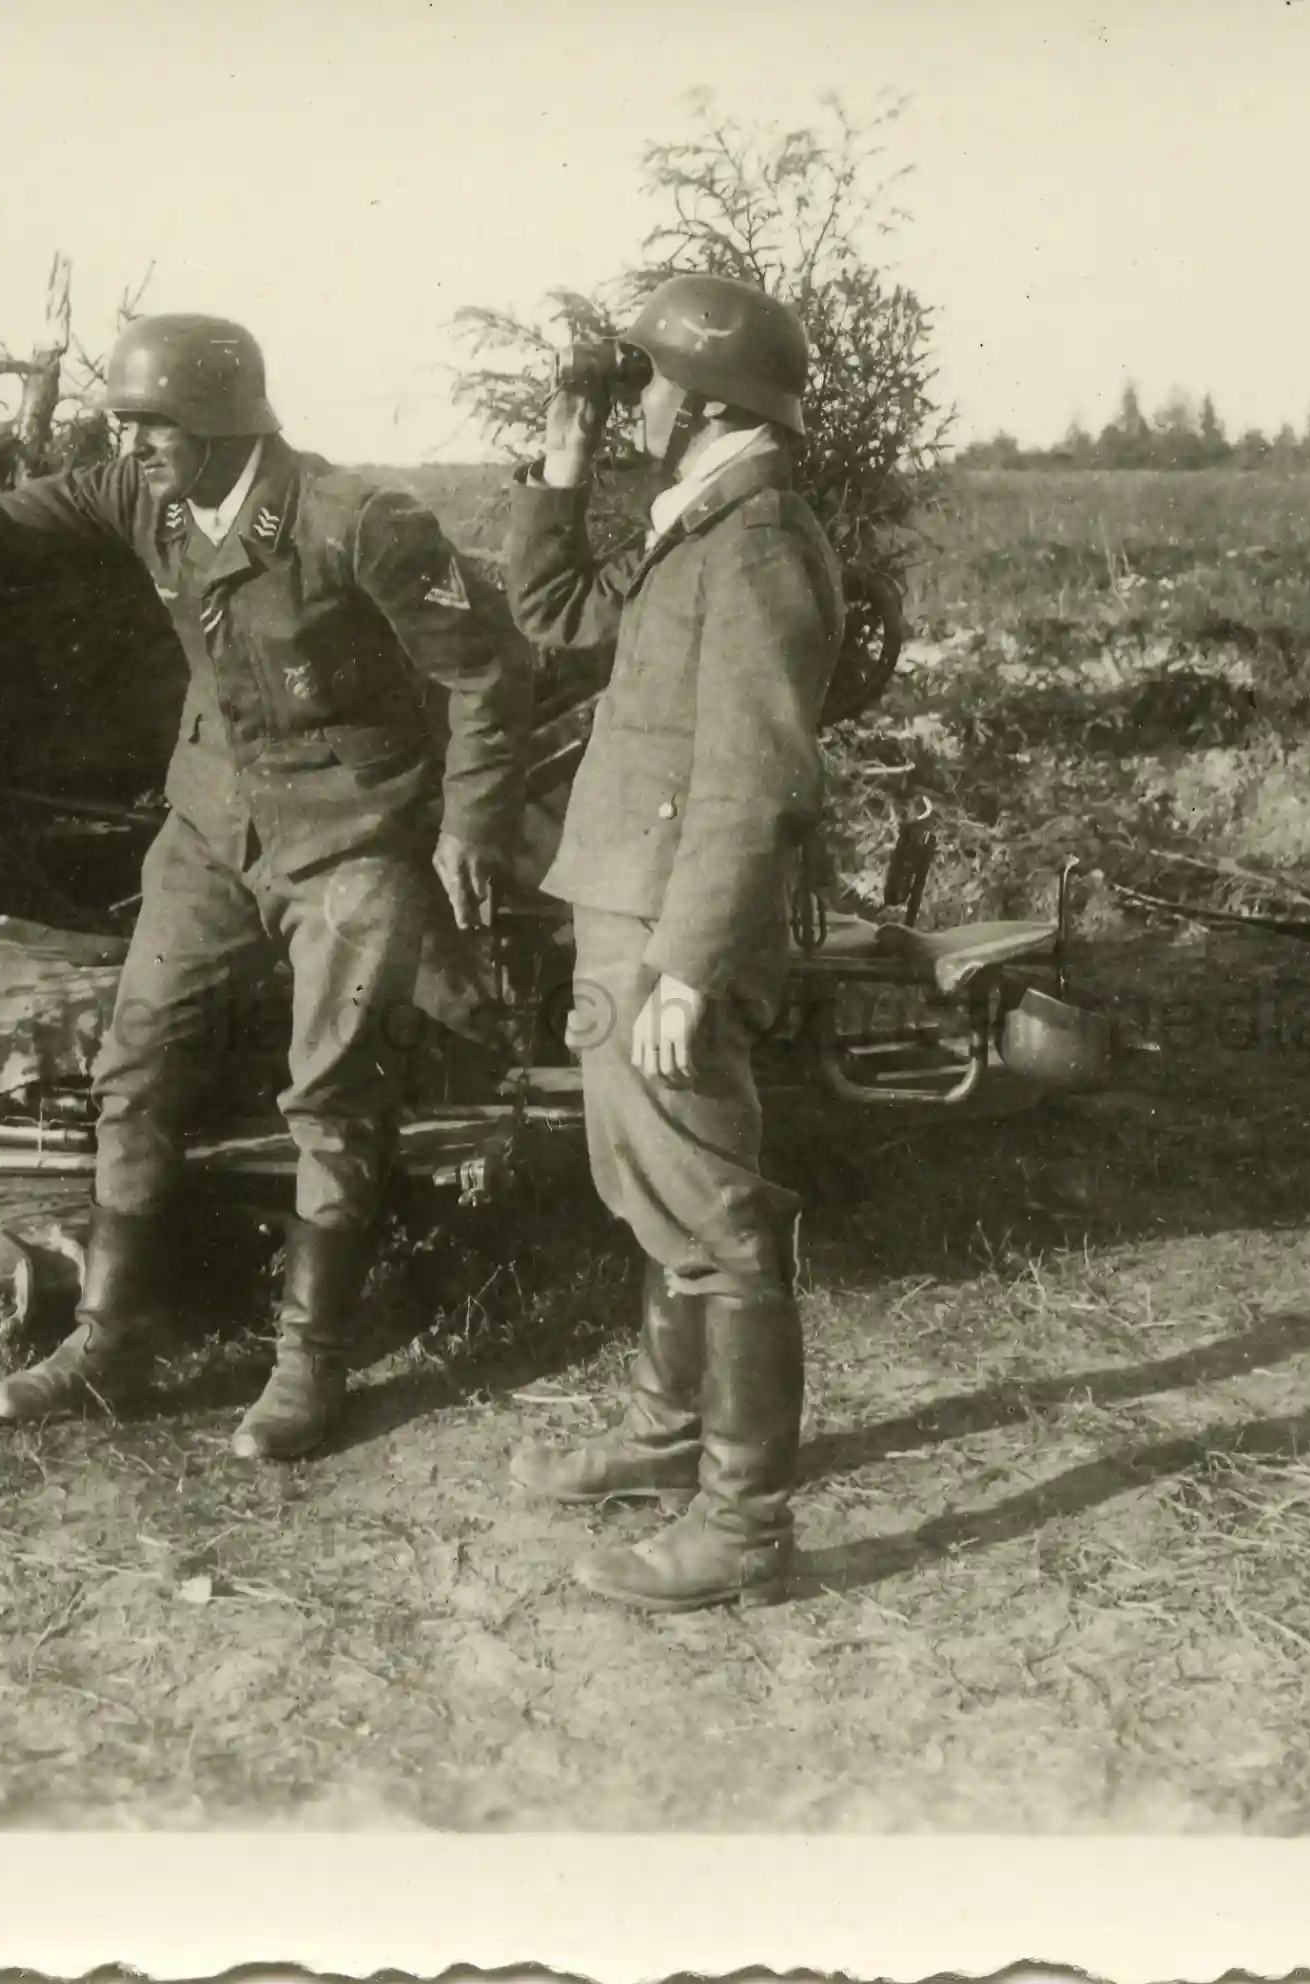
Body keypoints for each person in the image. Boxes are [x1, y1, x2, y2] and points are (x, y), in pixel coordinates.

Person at [0, 314, 526, 1462]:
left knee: (334, 1092)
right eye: (122, 423)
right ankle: (113, 1338)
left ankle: (309, 1363)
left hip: (350, 836)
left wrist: (469, 823)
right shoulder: (148, 499)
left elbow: (487, 669)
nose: (128, 443)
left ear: (221, 422)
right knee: (138, 1061)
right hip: (213, 828)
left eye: (151, 423)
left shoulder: (358, 520)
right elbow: (3, 525)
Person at [500, 275, 843, 1611]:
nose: (638, 398)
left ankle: (746, 1525)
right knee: (659, 1190)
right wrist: (559, 472)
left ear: (707, 401)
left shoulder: (756, 542)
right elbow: (559, 617)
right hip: (635, 903)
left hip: (672, 922)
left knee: (715, 1215)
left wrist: (689, 964)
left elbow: (758, 779)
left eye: (651, 380)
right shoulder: (699, 521)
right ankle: (665, 1437)